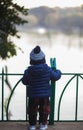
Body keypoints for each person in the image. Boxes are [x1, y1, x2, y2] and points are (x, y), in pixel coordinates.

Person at [22, 46, 62, 130]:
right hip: (44, 95)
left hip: (33, 95)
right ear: (43, 59)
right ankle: (42, 125)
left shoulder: (28, 71)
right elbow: (55, 76)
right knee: (44, 110)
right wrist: (58, 71)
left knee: (32, 111)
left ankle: (32, 125)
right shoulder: (47, 69)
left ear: (31, 60)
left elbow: (24, 81)